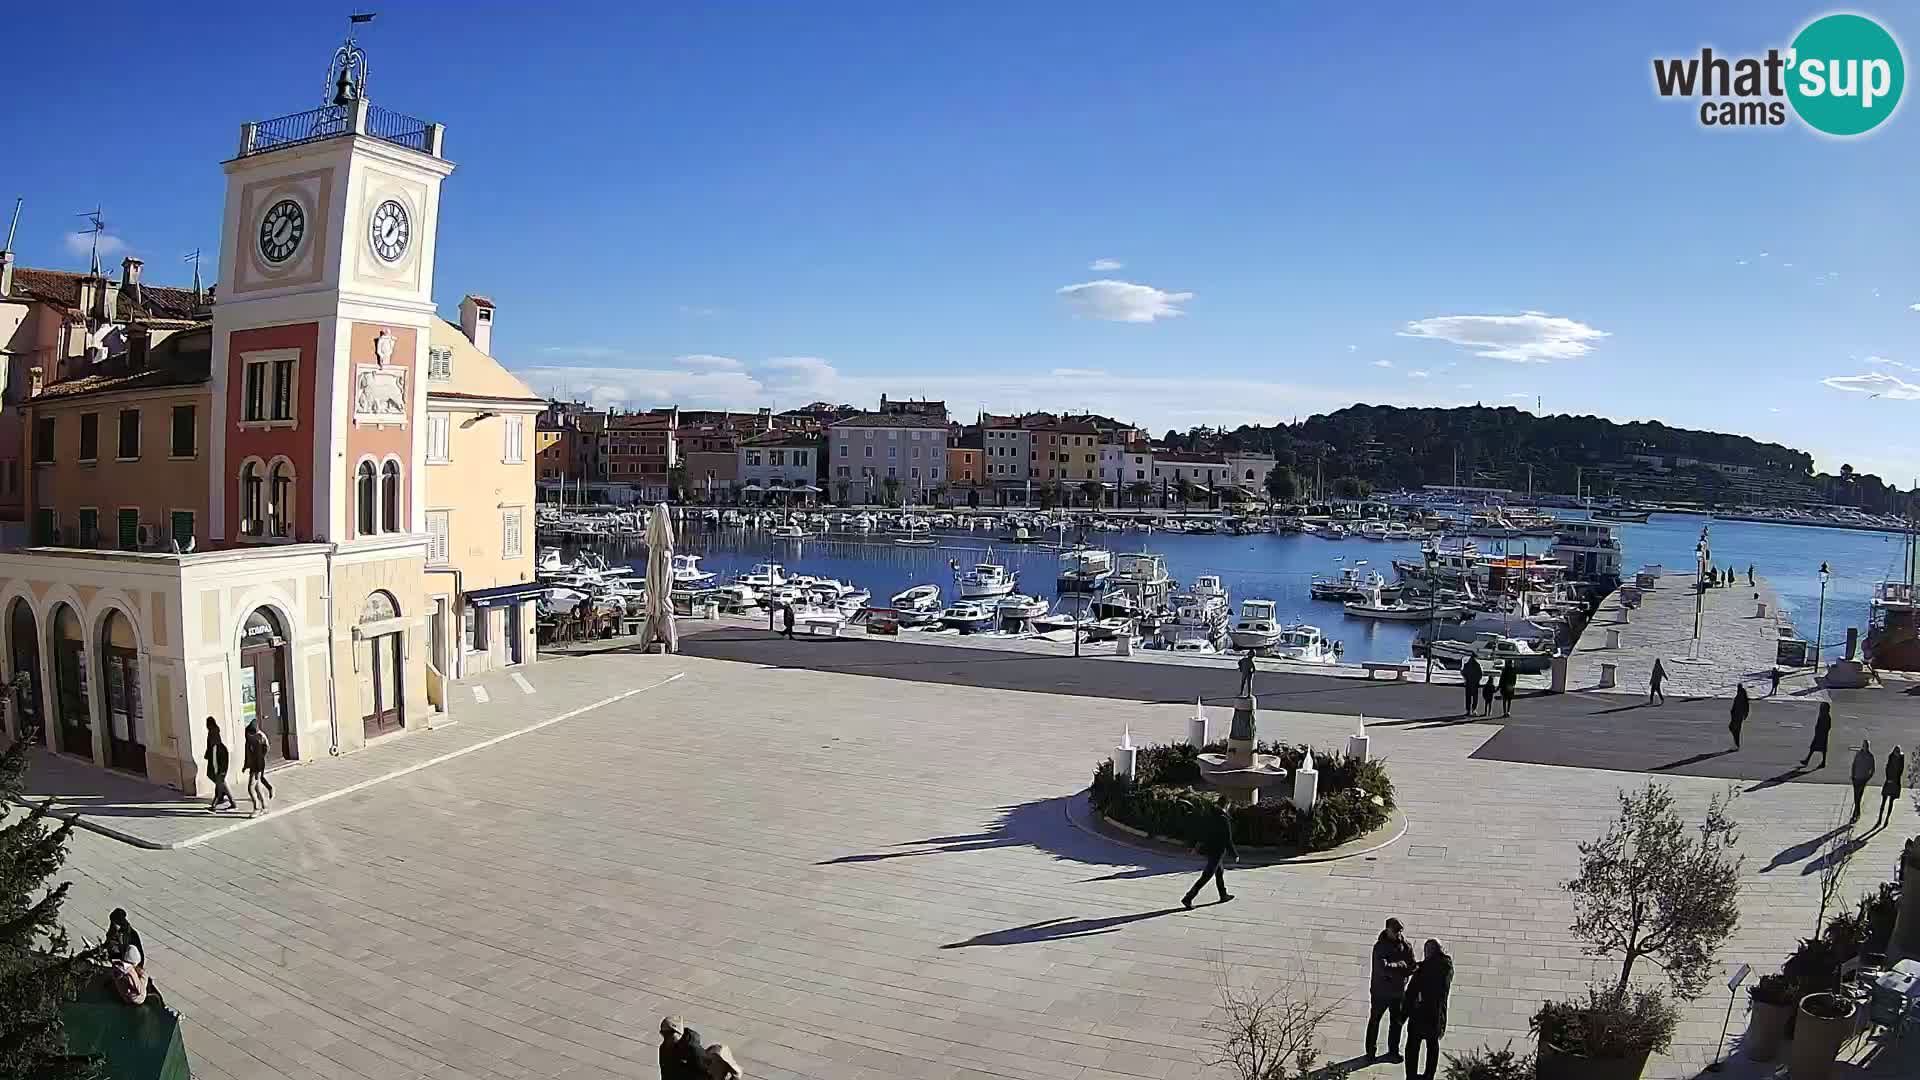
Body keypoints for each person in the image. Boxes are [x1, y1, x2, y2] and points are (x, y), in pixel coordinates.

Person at [1366, 917, 1415, 1063]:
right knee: (1375, 1021)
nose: (1399, 933)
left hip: (1398, 992)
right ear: (1388, 930)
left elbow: (1411, 966)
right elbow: (1384, 968)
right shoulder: (1379, 947)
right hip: (1380, 992)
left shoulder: (1405, 945)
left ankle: (1393, 1051)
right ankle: (1370, 1052)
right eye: (1396, 931)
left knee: (1396, 1023)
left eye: (1400, 930)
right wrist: (1401, 965)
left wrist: (1403, 969)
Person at [1403, 939, 1453, 1080]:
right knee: (1432, 1045)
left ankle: (1411, 1076)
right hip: (1437, 1015)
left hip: (1419, 1015)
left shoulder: (1422, 971)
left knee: (1413, 1046)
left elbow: (1410, 994)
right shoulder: (1447, 967)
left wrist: (1402, 1015)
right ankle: (1429, 1075)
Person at [1182, 803, 1237, 909]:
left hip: (1209, 850)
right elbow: (1227, 839)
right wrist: (1234, 854)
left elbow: (1200, 833)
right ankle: (1188, 898)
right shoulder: (1223, 820)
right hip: (1218, 852)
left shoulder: (1209, 817)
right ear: (1226, 806)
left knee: (1219, 872)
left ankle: (1223, 895)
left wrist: (1193, 846)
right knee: (1206, 876)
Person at [659, 1016, 706, 1080]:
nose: (666, 1038)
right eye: (663, 1033)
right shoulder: (663, 1048)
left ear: (679, 1033)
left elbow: (705, 1074)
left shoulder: (694, 1050)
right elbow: (664, 1073)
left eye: (669, 1033)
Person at [204, 717, 236, 812]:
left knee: (220, 781)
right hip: (220, 755)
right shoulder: (215, 732)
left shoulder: (212, 735)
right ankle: (221, 797)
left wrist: (216, 769)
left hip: (218, 758)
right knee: (219, 781)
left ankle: (229, 803)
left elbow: (214, 754)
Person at [243, 720, 273, 816]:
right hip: (257, 764)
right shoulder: (256, 737)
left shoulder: (258, 738)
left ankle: (257, 808)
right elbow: (248, 754)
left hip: (257, 765)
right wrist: (246, 765)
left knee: (251, 787)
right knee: (257, 786)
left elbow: (264, 750)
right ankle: (265, 806)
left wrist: (252, 767)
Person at [1850, 740, 1877, 823]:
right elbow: (1854, 764)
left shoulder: (1870, 756)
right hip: (1856, 778)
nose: (1865, 747)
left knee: (1858, 796)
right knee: (1856, 797)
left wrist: (1868, 778)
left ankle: (1856, 814)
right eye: (1864, 745)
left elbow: (1872, 769)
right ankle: (1857, 813)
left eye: (1866, 745)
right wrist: (1853, 775)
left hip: (1863, 779)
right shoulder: (1858, 754)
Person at [1879, 745, 1906, 827]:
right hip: (1889, 781)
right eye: (1895, 752)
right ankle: (1880, 818)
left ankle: (1887, 818)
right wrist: (1888, 778)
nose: (1896, 754)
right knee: (1883, 801)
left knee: (1891, 802)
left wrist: (1894, 780)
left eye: (1897, 752)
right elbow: (1887, 768)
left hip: (1895, 783)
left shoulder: (1901, 759)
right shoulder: (1891, 757)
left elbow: (1900, 771)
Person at [1802, 702, 1832, 768]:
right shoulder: (1822, 715)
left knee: (1819, 749)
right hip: (1819, 734)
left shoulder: (1826, 716)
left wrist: (1822, 733)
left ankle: (1821, 762)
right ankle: (1808, 760)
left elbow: (1828, 727)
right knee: (1815, 748)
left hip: (1822, 735)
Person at [1729, 683, 1749, 750]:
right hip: (1738, 716)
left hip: (1737, 716)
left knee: (1734, 730)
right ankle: (1736, 745)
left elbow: (1739, 706)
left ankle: (1736, 745)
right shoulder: (1742, 695)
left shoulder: (1740, 696)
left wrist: (1733, 712)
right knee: (1734, 729)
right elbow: (1746, 706)